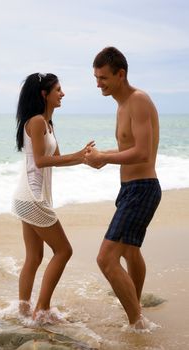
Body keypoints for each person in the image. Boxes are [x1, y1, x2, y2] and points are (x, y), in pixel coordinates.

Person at [84, 47, 162, 329]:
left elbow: (142, 153)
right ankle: (137, 307)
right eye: (96, 77)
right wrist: (99, 156)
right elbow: (128, 150)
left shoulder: (138, 100)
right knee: (130, 251)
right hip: (130, 189)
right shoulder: (121, 106)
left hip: (142, 187)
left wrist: (104, 158)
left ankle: (137, 323)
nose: (98, 84)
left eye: (103, 77)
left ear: (121, 74)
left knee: (106, 259)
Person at [12, 72, 94, 323]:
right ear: (44, 94)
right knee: (64, 250)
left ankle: (24, 310)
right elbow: (41, 160)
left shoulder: (47, 124)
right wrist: (78, 155)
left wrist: (83, 158)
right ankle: (41, 310)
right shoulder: (36, 121)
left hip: (29, 199)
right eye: (58, 89)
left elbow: (55, 161)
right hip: (32, 198)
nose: (63, 93)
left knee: (34, 257)